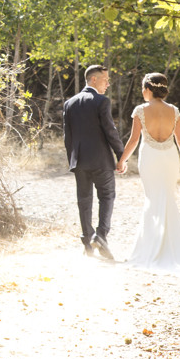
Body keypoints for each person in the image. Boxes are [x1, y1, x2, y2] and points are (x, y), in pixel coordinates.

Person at [116, 72, 180, 277]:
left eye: (143, 88)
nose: (142, 92)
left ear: (148, 89)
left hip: (150, 157)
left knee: (152, 198)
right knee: (167, 198)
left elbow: (133, 140)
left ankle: (150, 249)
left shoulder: (140, 110)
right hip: (170, 158)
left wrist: (122, 160)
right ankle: (172, 248)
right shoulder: (174, 111)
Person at [62, 64, 126, 260]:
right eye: (105, 80)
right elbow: (110, 131)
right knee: (107, 196)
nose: (108, 84)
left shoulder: (69, 103)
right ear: (94, 79)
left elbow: (67, 137)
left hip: (79, 161)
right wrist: (121, 155)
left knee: (84, 201)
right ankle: (101, 236)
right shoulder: (101, 101)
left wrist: (72, 161)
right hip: (101, 160)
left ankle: (87, 243)